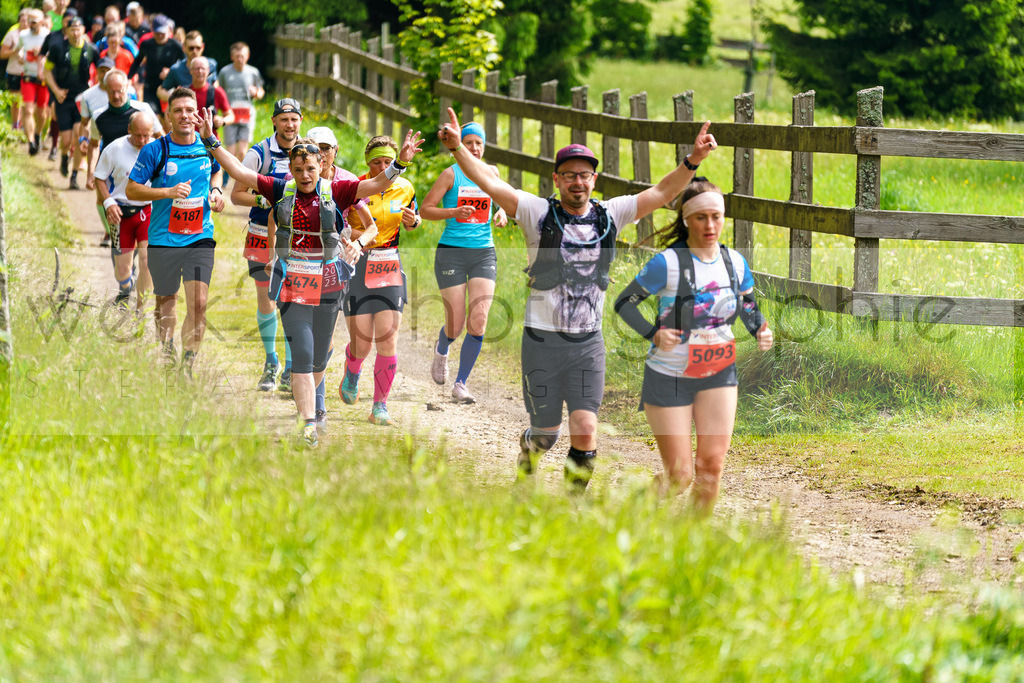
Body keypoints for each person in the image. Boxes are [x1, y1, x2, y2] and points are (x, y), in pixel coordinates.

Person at [438, 107, 718, 490]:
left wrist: (693, 160)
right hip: (541, 341)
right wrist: (458, 150)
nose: (577, 182)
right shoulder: (536, 211)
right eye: (569, 175)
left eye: (584, 175)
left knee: (586, 428)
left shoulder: (611, 213)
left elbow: (662, 192)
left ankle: (573, 507)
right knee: (546, 434)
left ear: (594, 179)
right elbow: (488, 182)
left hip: (588, 343)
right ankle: (529, 451)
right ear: (557, 179)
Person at [202, 109, 423, 447]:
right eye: (298, 169)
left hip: (329, 287)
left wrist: (401, 164)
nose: (305, 175)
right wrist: (212, 140)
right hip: (293, 287)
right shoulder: (280, 189)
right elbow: (240, 171)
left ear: (322, 165)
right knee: (302, 354)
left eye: (310, 168)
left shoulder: (340, 190)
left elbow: (379, 183)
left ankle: (314, 407)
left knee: (320, 355)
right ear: (290, 170)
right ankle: (308, 421)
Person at [614, 178, 774, 513]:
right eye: (702, 217)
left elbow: (746, 302)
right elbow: (624, 302)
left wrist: (759, 327)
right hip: (669, 375)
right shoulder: (667, 263)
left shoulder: (734, 262)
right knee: (680, 475)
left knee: (711, 469)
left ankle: (691, 544)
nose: (710, 225)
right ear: (687, 219)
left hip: (718, 372)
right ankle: (630, 511)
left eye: (717, 216)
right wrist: (652, 333)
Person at [125, 86, 224, 376]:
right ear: (167, 116)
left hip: (200, 236)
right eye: (178, 111)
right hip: (163, 239)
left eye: (189, 110)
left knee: (200, 303)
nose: (184, 116)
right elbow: (132, 188)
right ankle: (168, 352)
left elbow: (218, 168)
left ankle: (188, 365)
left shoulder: (209, 145)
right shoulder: (156, 150)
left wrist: (216, 190)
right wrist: (167, 192)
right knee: (167, 300)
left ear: (198, 114)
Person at [420, 121, 507, 404]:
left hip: (483, 253)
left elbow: (503, 197)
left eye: (479, 143)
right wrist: (455, 211)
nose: (474, 148)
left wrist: (502, 212)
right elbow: (426, 210)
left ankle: (461, 383)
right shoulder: (450, 174)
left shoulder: (491, 172)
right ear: (460, 145)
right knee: (455, 324)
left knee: (479, 320)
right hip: (452, 253)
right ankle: (442, 349)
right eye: (468, 142)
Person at [338, 135, 422, 426]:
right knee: (362, 343)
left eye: (388, 162)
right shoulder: (356, 188)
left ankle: (380, 406)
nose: (384, 168)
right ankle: (353, 367)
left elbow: (414, 219)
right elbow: (342, 229)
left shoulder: (406, 187)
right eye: (377, 163)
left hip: (389, 266)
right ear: (368, 163)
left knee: (387, 338)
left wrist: (415, 222)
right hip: (359, 265)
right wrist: (358, 239)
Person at [229, 97, 302, 393]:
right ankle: (272, 362)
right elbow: (237, 194)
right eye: (284, 119)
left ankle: (291, 365)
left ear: (300, 121)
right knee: (266, 300)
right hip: (261, 233)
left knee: (293, 302)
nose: (289, 124)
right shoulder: (259, 153)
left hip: (297, 238)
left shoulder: (306, 152)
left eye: (294, 119)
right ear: (274, 121)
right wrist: (264, 198)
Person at [305, 124, 375, 431]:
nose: (321, 153)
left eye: (327, 148)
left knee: (326, 333)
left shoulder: (347, 182)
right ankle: (304, 388)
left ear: (336, 151)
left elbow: (372, 228)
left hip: (338, 266)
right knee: (302, 330)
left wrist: (354, 242)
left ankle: (317, 404)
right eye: (316, 146)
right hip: (303, 263)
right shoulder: (298, 177)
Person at [94, 110, 157, 313]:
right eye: (137, 135)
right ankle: (124, 288)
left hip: (147, 211)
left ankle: (141, 308)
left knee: (148, 259)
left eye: (146, 135)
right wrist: (108, 202)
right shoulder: (115, 148)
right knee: (123, 269)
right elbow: (99, 177)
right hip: (120, 212)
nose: (141, 140)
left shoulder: (158, 148)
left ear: (152, 132)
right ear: (129, 129)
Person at [41, 13, 100, 189]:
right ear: (67, 30)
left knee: (78, 137)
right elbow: (46, 71)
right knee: (65, 141)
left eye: (78, 29)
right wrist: (56, 90)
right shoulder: (58, 48)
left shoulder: (91, 50)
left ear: (83, 30)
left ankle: (74, 176)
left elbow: (102, 71)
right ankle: (64, 156)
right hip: (63, 97)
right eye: (72, 29)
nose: (75, 33)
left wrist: (95, 90)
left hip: (82, 99)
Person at [128, 14, 183, 116]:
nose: (160, 36)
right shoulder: (146, 44)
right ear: (152, 31)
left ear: (168, 30)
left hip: (168, 89)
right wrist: (128, 78)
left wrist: (171, 71)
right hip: (150, 88)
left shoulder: (175, 46)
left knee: (169, 119)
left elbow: (185, 65)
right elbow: (137, 61)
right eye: (157, 33)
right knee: (152, 116)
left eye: (162, 32)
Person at [218, 42, 264, 160]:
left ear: (247, 56)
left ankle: (241, 178)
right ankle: (229, 177)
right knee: (231, 153)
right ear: (232, 57)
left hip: (247, 115)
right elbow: (218, 91)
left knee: (243, 152)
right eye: (237, 56)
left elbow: (261, 91)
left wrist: (256, 93)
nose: (240, 59)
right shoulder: (225, 72)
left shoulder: (253, 72)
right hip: (230, 115)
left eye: (242, 56)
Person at [14, 9, 49, 156]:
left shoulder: (47, 35)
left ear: (41, 22)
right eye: (29, 21)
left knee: (41, 113)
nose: (30, 24)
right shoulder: (23, 35)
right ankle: (31, 142)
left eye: (34, 22)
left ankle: (37, 133)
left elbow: (53, 55)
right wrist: (21, 56)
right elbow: (19, 50)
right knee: (28, 109)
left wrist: (41, 53)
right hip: (28, 76)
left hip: (43, 78)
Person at [157, 31, 217, 102]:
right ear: (184, 48)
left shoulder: (211, 64)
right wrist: (177, 99)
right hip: (186, 108)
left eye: (198, 48)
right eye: (191, 48)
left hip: (207, 107)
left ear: (202, 47)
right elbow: (161, 91)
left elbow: (215, 83)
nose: (195, 51)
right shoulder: (176, 69)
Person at [182, 57, 231, 137]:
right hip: (187, 139)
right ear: (190, 71)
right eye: (196, 69)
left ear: (208, 71)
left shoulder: (217, 91)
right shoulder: (183, 92)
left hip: (210, 140)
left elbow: (230, 115)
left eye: (203, 69)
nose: (200, 72)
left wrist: (222, 120)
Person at [1, 8, 32, 132]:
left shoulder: (34, 35)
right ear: (19, 21)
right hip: (14, 71)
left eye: (27, 21)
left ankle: (26, 125)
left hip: (29, 72)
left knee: (27, 101)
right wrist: (14, 51)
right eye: (22, 20)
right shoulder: (12, 34)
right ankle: (16, 124)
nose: (25, 23)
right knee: (15, 101)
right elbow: (2, 53)